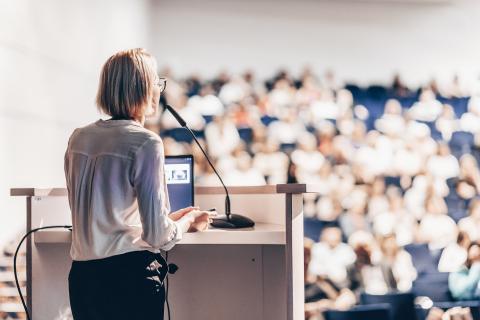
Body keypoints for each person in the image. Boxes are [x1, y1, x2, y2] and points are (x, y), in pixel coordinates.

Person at [64, 49, 215, 320]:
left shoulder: (79, 138)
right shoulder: (145, 143)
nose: (159, 89)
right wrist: (188, 221)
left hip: (82, 278)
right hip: (129, 279)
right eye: (156, 81)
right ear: (143, 88)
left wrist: (168, 219)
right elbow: (159, 237)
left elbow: (109, 217)